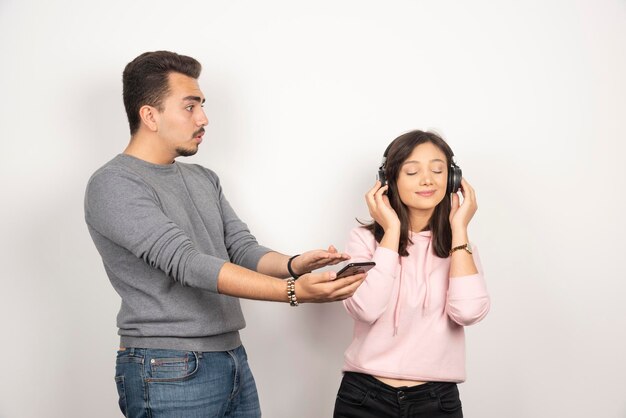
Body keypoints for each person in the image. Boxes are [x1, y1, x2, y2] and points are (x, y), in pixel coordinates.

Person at [84, 50, 366, 418]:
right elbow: (188, 264)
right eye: (190, 106)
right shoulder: (114, 183)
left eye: (202, 104)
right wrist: (292, 292)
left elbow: (240, 248)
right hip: (166, 366)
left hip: (231, 357)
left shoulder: (203, 178)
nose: (203, 118)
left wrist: (295, 265)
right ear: (149, 115)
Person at [333, 130, 490, 418]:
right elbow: (366, 309)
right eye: (412, 171)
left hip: (437, 400)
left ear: (453, 179)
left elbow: (468, 312)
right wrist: (392, 233)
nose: (427, 179)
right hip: (364, 397)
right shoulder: (364, 241)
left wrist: (459, 231)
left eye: (438, 170)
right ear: (388, 181)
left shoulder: (460, 249)